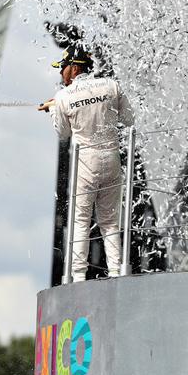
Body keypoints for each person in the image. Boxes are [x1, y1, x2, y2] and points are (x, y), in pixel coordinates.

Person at [39, 46, 134, 282]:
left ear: (73, 68)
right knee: (110, 221)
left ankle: (78, 276)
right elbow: (129, 119)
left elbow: (62, 133)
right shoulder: (111, 85)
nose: (61, 73)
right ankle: (116, 273)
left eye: (62, 68)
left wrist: (54, 110)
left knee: (81, 219)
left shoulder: (63, 97)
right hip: (112, 156)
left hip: (87, 161)